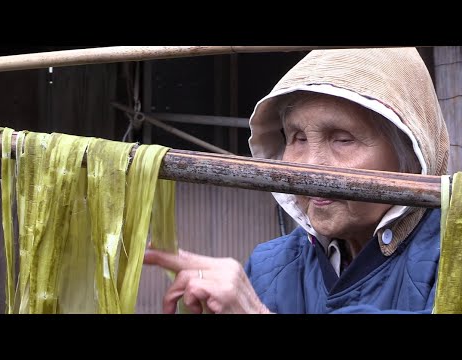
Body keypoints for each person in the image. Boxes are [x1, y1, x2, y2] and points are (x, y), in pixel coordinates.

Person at [143, 47, 449, 314]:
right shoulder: (269, 267)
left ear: (412, 156)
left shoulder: (450, 261)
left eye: (342, 139)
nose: (310, 165)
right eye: (297, 138)